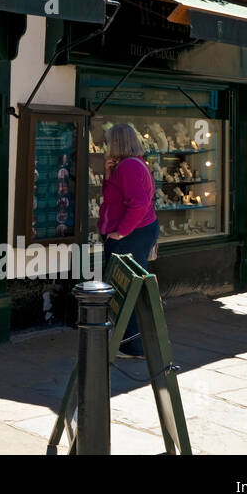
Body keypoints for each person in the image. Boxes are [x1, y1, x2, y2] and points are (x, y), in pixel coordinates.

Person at [98, 122, 160, 358]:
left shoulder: (130, 168)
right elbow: (112, 198)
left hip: (132, 235)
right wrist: (107, 175)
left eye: (108, 140)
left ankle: (132, 345)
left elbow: (139, 204)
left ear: (117, 142)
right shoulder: (129, 165)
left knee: (127, 288)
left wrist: (121, 232)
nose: (105, 144)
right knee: (128, 286)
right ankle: (130, 341)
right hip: (137, 233)